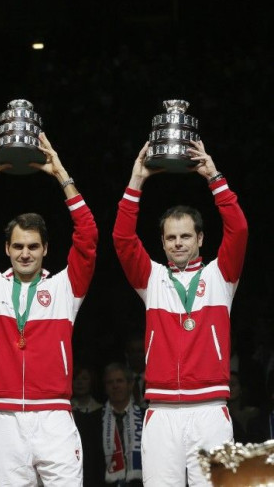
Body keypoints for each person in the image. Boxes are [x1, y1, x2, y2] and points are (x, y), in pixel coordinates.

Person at [0, 133, 98, 485]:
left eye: (33, 246)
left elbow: (88, 237)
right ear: (6, 248)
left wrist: (61, 175)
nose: (25, 253)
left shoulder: (64, 288)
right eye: (18, 246)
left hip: (54, 416)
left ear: (46, 248)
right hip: (4, 419)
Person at [112, 140, 248, 486]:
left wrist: (214, 177)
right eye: (171, 238)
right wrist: (136, 181)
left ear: (201, 239)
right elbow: (122, 238)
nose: (178, 243)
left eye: (186, 236)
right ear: (162, 242)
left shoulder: (221, 276)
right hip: (161, 412)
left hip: (210, 410)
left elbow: (240, 230)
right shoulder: (152, 278)